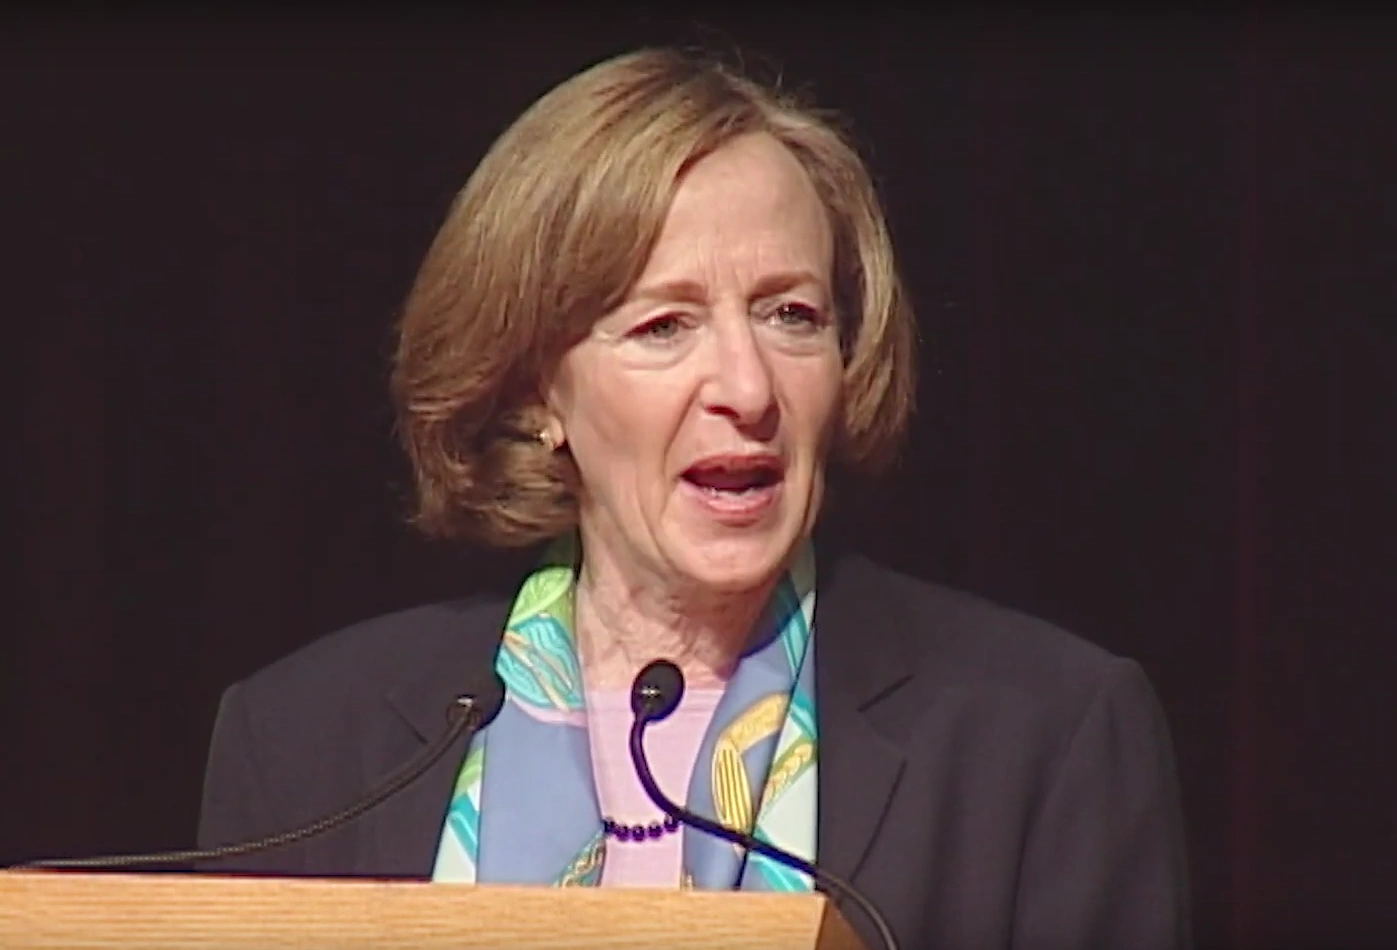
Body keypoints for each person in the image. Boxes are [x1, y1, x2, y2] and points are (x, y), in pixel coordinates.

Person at [197, 47, 1191, 950]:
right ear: (541, 384)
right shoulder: (307, 746)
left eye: (790, 315)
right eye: (664, 325)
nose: (747, 388)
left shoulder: (1039, 737)